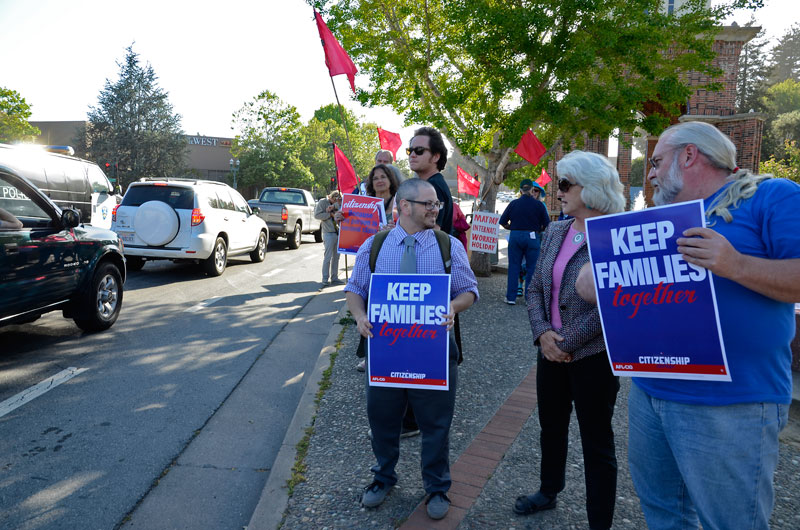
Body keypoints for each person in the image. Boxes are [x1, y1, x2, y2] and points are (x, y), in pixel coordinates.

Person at [626, 121, 800, 530]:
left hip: (732, 403)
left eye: (656, 161)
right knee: (664, 516)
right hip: (650, 392)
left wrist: (734, 264)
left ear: (689, 156)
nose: (649, 173)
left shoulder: (770, 196)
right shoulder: (660, 218)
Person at [344, 178, 478, 520]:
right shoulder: (375, 246)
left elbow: (469, 290)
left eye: (437, 204)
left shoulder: (448, 247)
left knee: (436, 424)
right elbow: (355, 289)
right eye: (428, 205)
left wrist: (453, 308)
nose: (437, 209)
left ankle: (436, 487)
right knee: (383, 420)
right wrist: (359, 317)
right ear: (404, 207)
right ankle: (383, 477)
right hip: (386, 353)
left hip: (433, 353)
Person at [517, 150, 625, 530]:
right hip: (550, 353)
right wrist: (543, 334)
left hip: (594, 357)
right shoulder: (557, 230)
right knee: (552, 425)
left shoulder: (619, 236)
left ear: (592, 189)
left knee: (597, 443)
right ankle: (549, 490)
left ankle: (600, 521)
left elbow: (617, 301)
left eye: (564, 184)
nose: (557, 191)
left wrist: (567, 341)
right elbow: (534, 289)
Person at [499, 178, 550, 305]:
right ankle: (529, 298)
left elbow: (502, 221)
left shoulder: (513, 204)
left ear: (520, 190)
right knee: (532, 267)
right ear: (532, 190)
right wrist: (538, 229)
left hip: (515, 236)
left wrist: (513, 228)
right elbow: (547, 224)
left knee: (514, 267)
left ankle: (511, 297)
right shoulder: (539, 205)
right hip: (532, 236)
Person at [407, 127, 453, 235]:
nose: (412, 155)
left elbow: (432, 233)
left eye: (419, 150)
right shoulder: (431, 184)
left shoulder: (433, 187)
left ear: (435, 157)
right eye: (410, 151)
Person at [313, 190, 343, 285]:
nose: (337, 202)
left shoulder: (338, 204)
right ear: (331, 198)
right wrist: (329, 215)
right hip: (328, 233)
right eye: (335, 200)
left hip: (338, 233)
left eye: (339, 200)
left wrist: (336, 207)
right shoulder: (323, 202)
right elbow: (317, 215)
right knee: (328, 257)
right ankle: (325, 279)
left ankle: (335, 278)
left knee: (336, 257)